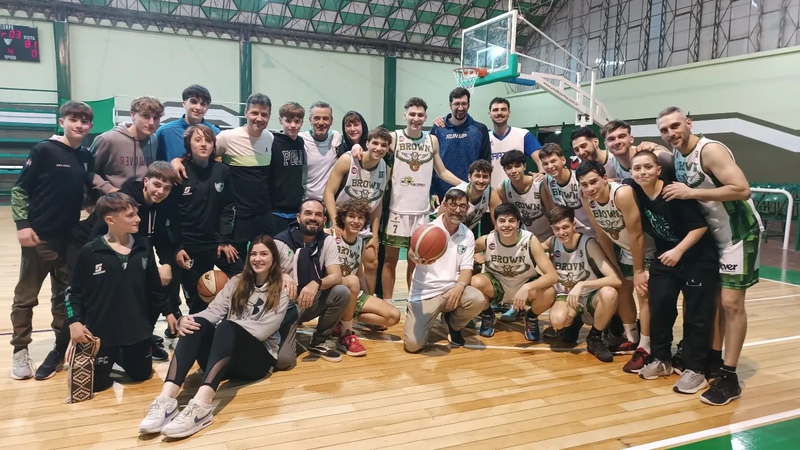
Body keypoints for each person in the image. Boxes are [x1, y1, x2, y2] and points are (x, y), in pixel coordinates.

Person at [657, 106, 763, 406]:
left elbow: (742, 189)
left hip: (739, 233)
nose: (671, 133)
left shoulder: (711, 150)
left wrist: (692, 194)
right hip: (712, 237)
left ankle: (730, 378)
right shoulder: (677, 154)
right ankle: (714, 362)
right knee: (713, 303)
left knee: (731, 304)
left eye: (675, 126)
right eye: (664, 130)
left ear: (689, 123)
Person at [137, 235, 288, 439]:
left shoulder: (282, 289)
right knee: (196, 325)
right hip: (223, 357)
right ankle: (166, 400)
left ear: (274, 259)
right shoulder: (236, 281)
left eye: (264, 254)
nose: (257, 258)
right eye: (253, 253)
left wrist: (226, 329)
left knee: (226, 326)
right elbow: (213, 312)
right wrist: (186, 319)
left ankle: (202, 406)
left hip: (255, 361)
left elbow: (263, 331)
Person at [10, 101, 94, 381]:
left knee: (63, 297)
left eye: (84, 121)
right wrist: (23, 225)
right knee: (26, 297)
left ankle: (59, 348)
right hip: (39, 237)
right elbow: (21, 190)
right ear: (62, 122)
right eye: (73, 119)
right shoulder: (44, 150)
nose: (79, 125)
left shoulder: (84, 155)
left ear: (90, 127)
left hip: (69, 240)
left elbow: (80, 192)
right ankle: (20, 350)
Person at [65, 192, 178, 393]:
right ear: (110, 220)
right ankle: (113, 354)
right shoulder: (90, 252)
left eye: (137, 213)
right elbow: (73, 293)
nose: (138, 219)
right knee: (97, 386)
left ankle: (123, 354)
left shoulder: (144, 246)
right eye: (130, 215)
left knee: (141, 376)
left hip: (137, 330)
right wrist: (74, 322)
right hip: (102, 333)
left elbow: (154, 287)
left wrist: (169, 312)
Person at [628, 151, 719, 394]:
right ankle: (661, 360)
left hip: (697, 257)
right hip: (666, 257)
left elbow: (699, 227)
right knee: (659, 305)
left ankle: (696, 370)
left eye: (648, 167)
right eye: (637, 168)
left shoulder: (673, 193)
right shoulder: (636, 191)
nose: (642, 172)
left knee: (697, 314)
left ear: (658, 170)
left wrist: (678, 250)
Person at [71, 161, 178, 361]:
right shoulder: (127, 200)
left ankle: (143, 338)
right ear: (146, 182)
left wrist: (167, 264)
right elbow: (96, 236)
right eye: (157, 185)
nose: (161, 191)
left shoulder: (162, 206)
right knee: (87, 293)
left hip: (126, 247)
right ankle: (70, 346)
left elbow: (161, 238)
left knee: (155, 282)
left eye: (167, 188)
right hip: (87, 246)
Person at [380, 97, 464, 306]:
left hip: (421, 212)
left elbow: (442, 171)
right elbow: (373, 150)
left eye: (420, 115)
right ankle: (388, 303)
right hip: (396, 211)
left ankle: (413, 302)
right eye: (412, 114)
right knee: (390, 261)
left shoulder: (431, 141)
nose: (416, 119)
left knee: (416, 261)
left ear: (425, 117)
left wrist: (465, 185)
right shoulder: (393, 138)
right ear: (405, 115)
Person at [576, 159, 656, 372]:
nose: (590, 188)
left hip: (648, 249)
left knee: (643, 293)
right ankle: (632, 338)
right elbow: (602, 234)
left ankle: (646, 346)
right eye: (584, 184)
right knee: (622, 288)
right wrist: (614, 266)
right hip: (625, 250)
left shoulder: (621, 194)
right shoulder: (588, 199)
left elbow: (637, 234)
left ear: (604, 178)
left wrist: (639, 271)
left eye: (594, 182)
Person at [172, 93, 275, 251]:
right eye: (254, 113)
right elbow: (201, 155)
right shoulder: (227, 137)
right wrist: (177, 161)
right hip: (239, 217)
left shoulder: (269, 138)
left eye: (264, 114)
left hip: (263, 213)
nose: (259, 118)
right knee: (239, 263)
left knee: (267, 257)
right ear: (246, 112)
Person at [168, 124, 241, 314]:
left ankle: (232, 327)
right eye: (198, 140)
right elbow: (171, 214)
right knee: (198, 301)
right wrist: (177, 247)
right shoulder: (179, 172)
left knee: (242, 278)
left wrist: (224, 240)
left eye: (208, 141)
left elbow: (227, 207)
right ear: (188, 144)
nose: (204, 145)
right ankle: (198, 337)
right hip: (190, 247)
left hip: (217, 243)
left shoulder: (222, 171)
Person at [404, 189, 484, 352]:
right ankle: (421, 317)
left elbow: (466, 270)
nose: (458, 209)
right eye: (453, 205)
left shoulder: (467, 234)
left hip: (450, 290)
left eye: (462, 206)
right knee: (413, 345)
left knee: (477, 299)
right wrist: (417, 257)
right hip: (425, 293)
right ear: (444, 205)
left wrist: (459, 286)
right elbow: (412, 252)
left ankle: (451, 323)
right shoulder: (427, 228)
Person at [273, 199, 349, 363]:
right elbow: (259, 274)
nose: (313, 217)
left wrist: (316, 283)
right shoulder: (279, 242)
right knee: (283, 361)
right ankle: (281, 334)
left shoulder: (327, 241)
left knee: (341, 292)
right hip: (282, 309)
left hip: (307, 302)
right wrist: (281, 275)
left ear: (324, 220)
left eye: (318, 214)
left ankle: (319, 342)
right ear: (299, 218)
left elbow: (336, 276)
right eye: (308, 213)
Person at [542, 206, 621, 362]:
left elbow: (615, 279)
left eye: (565, 227)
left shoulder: (588, 243)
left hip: (590, 295)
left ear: (574, 225)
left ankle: (594, 338)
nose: (561, 232)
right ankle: (574, 321)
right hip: (567, 296)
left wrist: (582, 285)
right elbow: (528, 246)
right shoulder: (552, 242)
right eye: (556, 229)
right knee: (558, 321)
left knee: (610, 293)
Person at [471, 203, 558, 340]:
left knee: (549, 292)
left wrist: (527, 287)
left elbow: (552, 276)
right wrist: (477, 257)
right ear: (496, 224)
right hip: (497, 286)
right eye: (502, 221)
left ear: (518, 223)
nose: (507, 225)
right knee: (475, 282)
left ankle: (531, 317)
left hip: (524, 286)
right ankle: (488, 314)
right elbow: (462, 255)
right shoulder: (486, 240)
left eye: (511, 221)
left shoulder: (530, 240)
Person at [330, 199, 401, 356]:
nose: (356, 221)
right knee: (352, 281)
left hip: (354, 292)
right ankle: (345, 331)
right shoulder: (332, 236)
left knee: (393, 316)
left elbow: (360, 273)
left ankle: (344, 319)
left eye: (360, 217)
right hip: (332, 293)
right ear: (343, 218)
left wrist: (369, 295)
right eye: (351, 216)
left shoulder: (361, 242)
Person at [323, 126, 390, 295]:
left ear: (388, 148)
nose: (379, 148)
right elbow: (328, 192)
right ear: (366, 143)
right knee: (343, 265)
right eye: (375, 143)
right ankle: (336, 307)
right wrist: (335, 222)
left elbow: (378, 204)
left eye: (384, 145)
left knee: (372, 260)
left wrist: (375, 235)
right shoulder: (348, 160)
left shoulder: (385, 169)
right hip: (343, 221)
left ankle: (367, 301)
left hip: (364, 223)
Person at [91, 96, 163, 194]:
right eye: (146, 116)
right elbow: (89, 171)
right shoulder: (107, 140)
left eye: (156, 118)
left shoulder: (154, 140)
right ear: (133, 115)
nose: (151, 122)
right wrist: (110, 190)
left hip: (140, 202)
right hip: (113, 203)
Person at [429, 87, 491, 199]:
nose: (461, 108)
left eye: (464, 104)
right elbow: (430, 162)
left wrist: (480, 189)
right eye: (457, 104)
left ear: (469, 105)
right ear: (450, 105)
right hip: (441, 193)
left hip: (471, 192)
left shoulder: (480, 129)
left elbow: (485, 163)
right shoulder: (438, 128)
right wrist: (432, 191)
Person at [489, 149, 553, 242]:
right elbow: (508, 215)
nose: (513, 171)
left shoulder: (539, 185)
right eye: (509, 167)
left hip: (548, 235)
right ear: (504, 170)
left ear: (525, 166)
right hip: (525, 237)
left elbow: (551, 213)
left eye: (517, 166)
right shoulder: (503, 188)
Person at [538, 143, 595, 238]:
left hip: (592, 232)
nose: (550, 166)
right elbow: (556, 213)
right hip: (570, 235)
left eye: (553, 161)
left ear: (563, 160)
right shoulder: (547, 180)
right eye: (545, 164)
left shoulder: (579, 179)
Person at [486, 97, 543, 186]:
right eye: (495, 110)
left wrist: (542, 173)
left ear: (509, 113)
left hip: (517, 192)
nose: (499, 113)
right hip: (492, 193)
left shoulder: (523, 135)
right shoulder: (485, 138)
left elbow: (540, 159)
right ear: (489, 114)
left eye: (503, 109)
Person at [156, 84, 221, 162]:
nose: (198, 107)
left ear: (207, 108)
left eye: (203, 104)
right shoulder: (165, 132)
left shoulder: (215, 133)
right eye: (194, 102)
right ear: (184, 103)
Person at [270, 101, 307, 231]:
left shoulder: (300, 142)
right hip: (276, 210)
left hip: (295, 208)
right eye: (288, 121)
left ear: (302, 122)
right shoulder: (273, 141)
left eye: (297, 121)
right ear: (280, 120)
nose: (293, 125)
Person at [601, 120, 672, 181]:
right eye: (611, 139)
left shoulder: (647, 154)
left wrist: (657, 147)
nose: (617, 142)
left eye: (621, 136)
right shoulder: (612, 166)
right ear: (605, 145)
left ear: (631, 139)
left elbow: (671, 159)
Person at [300, 101, 344, 201]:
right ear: (310, 120)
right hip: (305, 202)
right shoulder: (301, 139)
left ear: (331, 121)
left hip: (328, 202)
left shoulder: (336, 137)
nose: (321, 123)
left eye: (325, 118)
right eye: (316, 118)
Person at [441, 159, 493, 239]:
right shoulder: (456, 193)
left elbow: (497, 221)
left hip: (461, 234)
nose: (481, 180)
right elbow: (439, 220)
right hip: (442, 231)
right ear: (469, 177)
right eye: (477, 176)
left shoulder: (491, 193)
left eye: (485, 177)